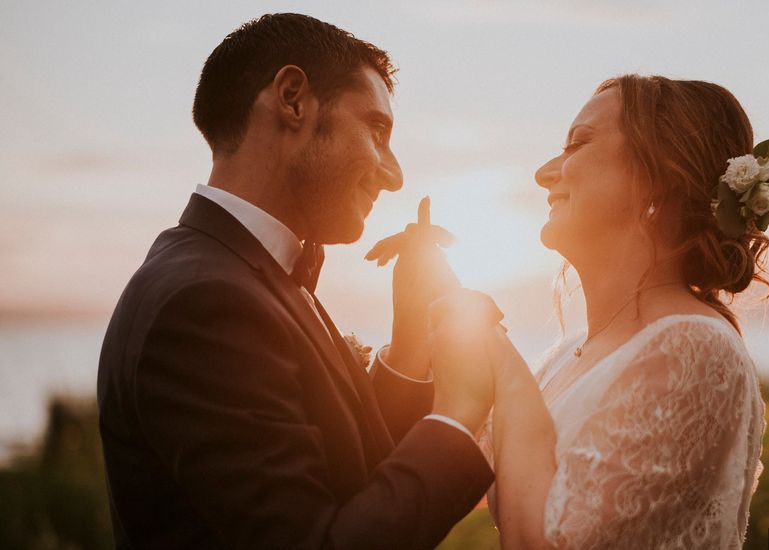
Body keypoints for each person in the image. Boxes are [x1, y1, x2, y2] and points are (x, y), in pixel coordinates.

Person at [97, 13, 498, 549]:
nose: (394, 173)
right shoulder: (203, 304)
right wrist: (459, 411)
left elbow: (347, 476)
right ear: (291, 100)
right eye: (376, 129)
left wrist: (408, 345)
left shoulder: (237, 272)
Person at [379, 74, 769, 548]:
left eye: (577, 144)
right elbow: (438, 469)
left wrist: (491, 346)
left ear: (660, 178)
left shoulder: (693, 347)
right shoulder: (568, 355)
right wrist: (416, 333)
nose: (545, 172)